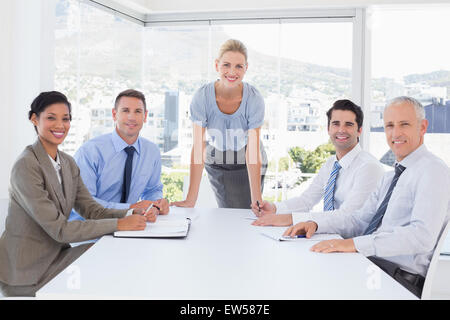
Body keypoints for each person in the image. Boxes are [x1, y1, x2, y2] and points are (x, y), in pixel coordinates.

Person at [284, 96, 450, 298]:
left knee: (310, 283)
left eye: (404, 124)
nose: (395, 133)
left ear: (422, 127)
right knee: (303, 267)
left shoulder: (433, 170)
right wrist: (316, 224)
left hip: (397, 280)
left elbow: (421, 237)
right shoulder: (390, 177)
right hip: (374, 267)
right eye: (389, 125)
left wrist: (353, 244)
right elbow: (359, 219)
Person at [0, 91, 155, 297]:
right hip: (26, 272)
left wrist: (129, 214)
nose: (60, 125)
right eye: (51, 118)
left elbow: (91, 209)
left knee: (114, 255)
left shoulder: (67, 162)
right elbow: (60, 230)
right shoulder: (26, 166)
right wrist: (119, 224)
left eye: (65, 119)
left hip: (56, 256)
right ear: (34, 119)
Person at [251, 99, 384, 226]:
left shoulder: (368, 167)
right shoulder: (331, 164)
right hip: (329, 235)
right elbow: (306, 200)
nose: (341, 130)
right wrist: (274, 208)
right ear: (328, 129)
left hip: (351, 243)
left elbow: (347, 216)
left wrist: (290, 219)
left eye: (348, 125)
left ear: (359, 130)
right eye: (336, 124)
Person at [171, 39, 267, 209]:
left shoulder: (254, 98)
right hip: (217, 158)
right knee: (228, 210)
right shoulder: (202, 97)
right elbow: (199, 146)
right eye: (226, 65)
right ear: (217, 65)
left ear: (246, 68)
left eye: (239, 66)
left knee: (248, 210)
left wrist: (256, 199)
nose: (232, 71)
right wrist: (190, 200)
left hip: (248, 157)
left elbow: (252, 151)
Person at [69, 89, 169, 222]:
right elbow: (85, 202)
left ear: (145, 116)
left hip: (129, 229)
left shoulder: (152, 152)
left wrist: (155, 205)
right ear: (114, 114)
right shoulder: (90, 151)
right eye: (125, 110)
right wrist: (131, 208)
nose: (132, 117)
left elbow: (152, 189)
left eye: (137, 111)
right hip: (90, 230)